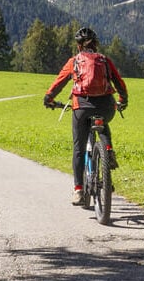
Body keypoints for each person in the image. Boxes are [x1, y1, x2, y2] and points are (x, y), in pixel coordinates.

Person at [44, 27, 128, 205]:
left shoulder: (74, 61)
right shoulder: (104, 60)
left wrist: (49, 98)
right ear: (95, 44)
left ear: (78, 45)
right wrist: (123, 99)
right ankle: (108, 153)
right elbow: (119, 82)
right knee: (103, 123)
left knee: (79, 148)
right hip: (106, 106)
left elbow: (59, 82)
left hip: (81, 107)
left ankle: (79, 191)